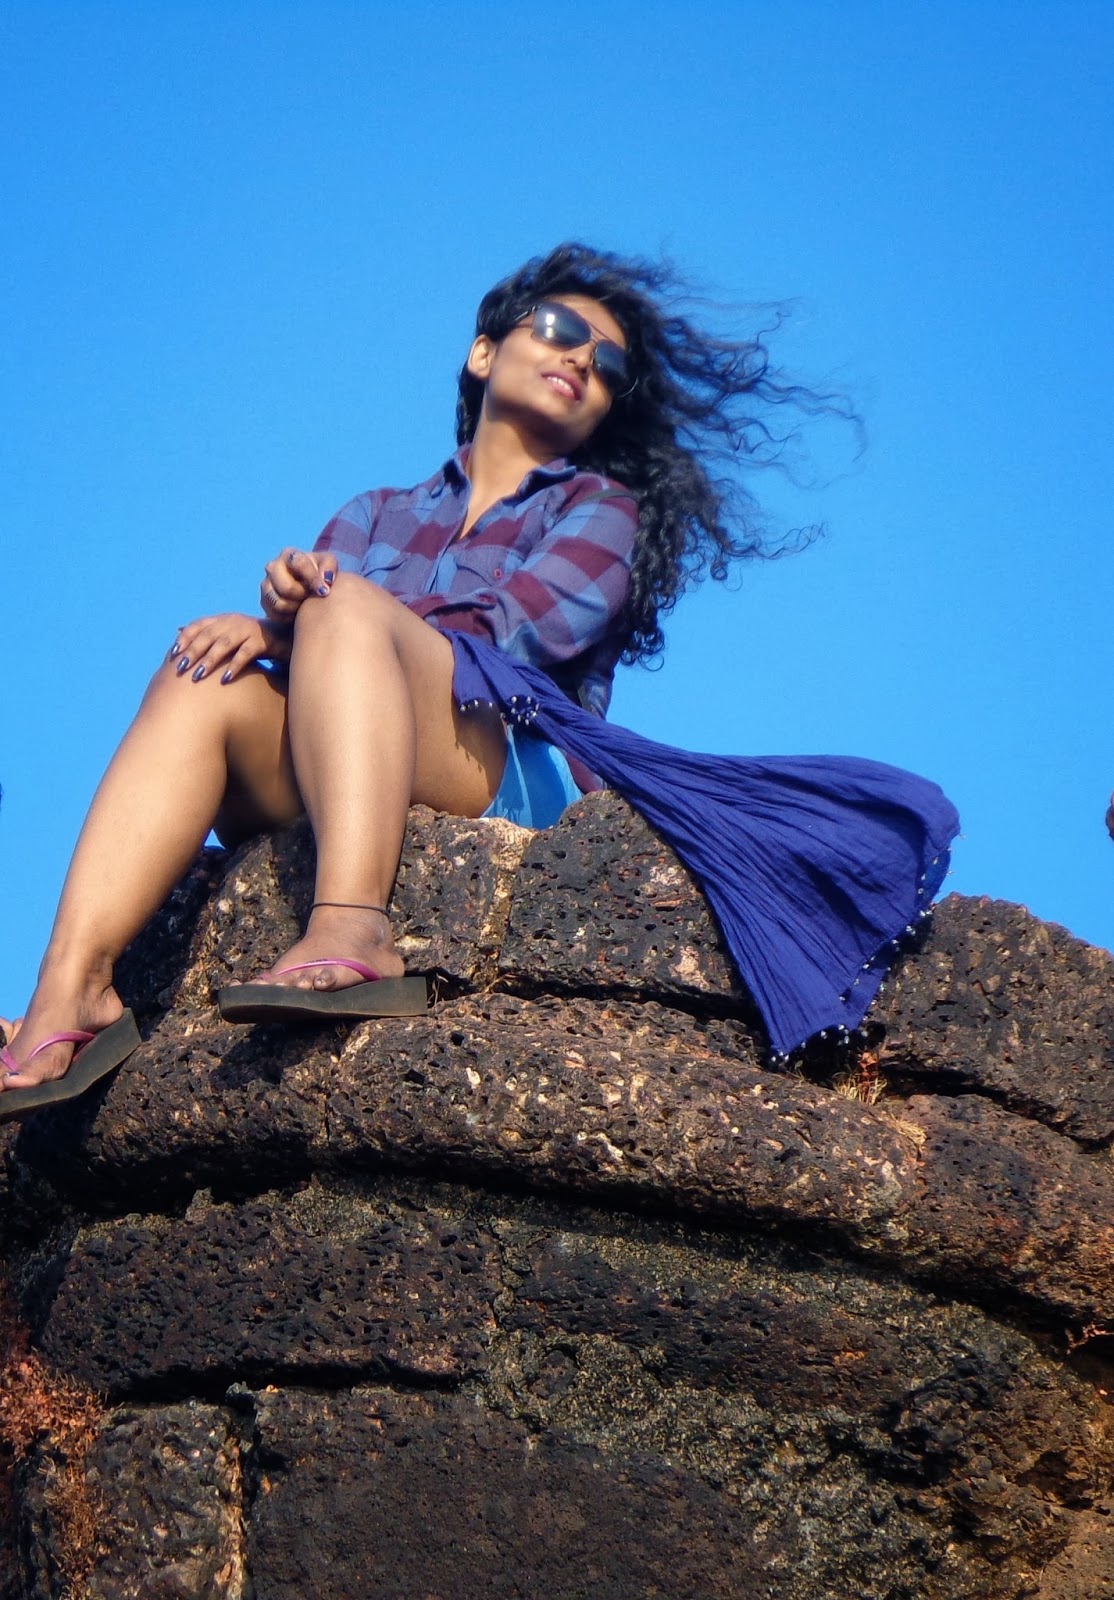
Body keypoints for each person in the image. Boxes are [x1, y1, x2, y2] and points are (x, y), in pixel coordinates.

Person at [1, 243, 957, 1114]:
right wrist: (272, 629)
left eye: (607, 365)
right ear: (483, 353)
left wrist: (307, 617)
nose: (583, 359)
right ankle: (68, 994)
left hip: (498, 760)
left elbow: (502, 640)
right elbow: (327, 649)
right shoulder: (375, 510)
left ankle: (352, 926)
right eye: (561, 329)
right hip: (348, 750)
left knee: (340, 606)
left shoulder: (600, 511)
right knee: (199, 671)